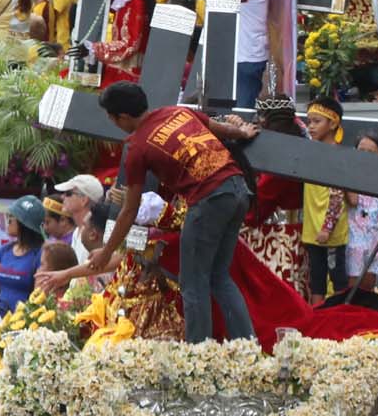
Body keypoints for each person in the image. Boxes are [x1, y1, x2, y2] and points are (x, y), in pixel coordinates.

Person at [37, 81, 258, 343]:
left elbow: (129, 210)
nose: (112, 122)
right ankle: (248, 345)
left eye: (112, 117)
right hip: (239, 190)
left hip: (208, 200)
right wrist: (242, 133)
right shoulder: (177, 112)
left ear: (124, 117)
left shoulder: (138, 147)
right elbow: (220, 129)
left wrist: (106, 251)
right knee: (219, 276)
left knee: (193, 284)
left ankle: (200, 353)